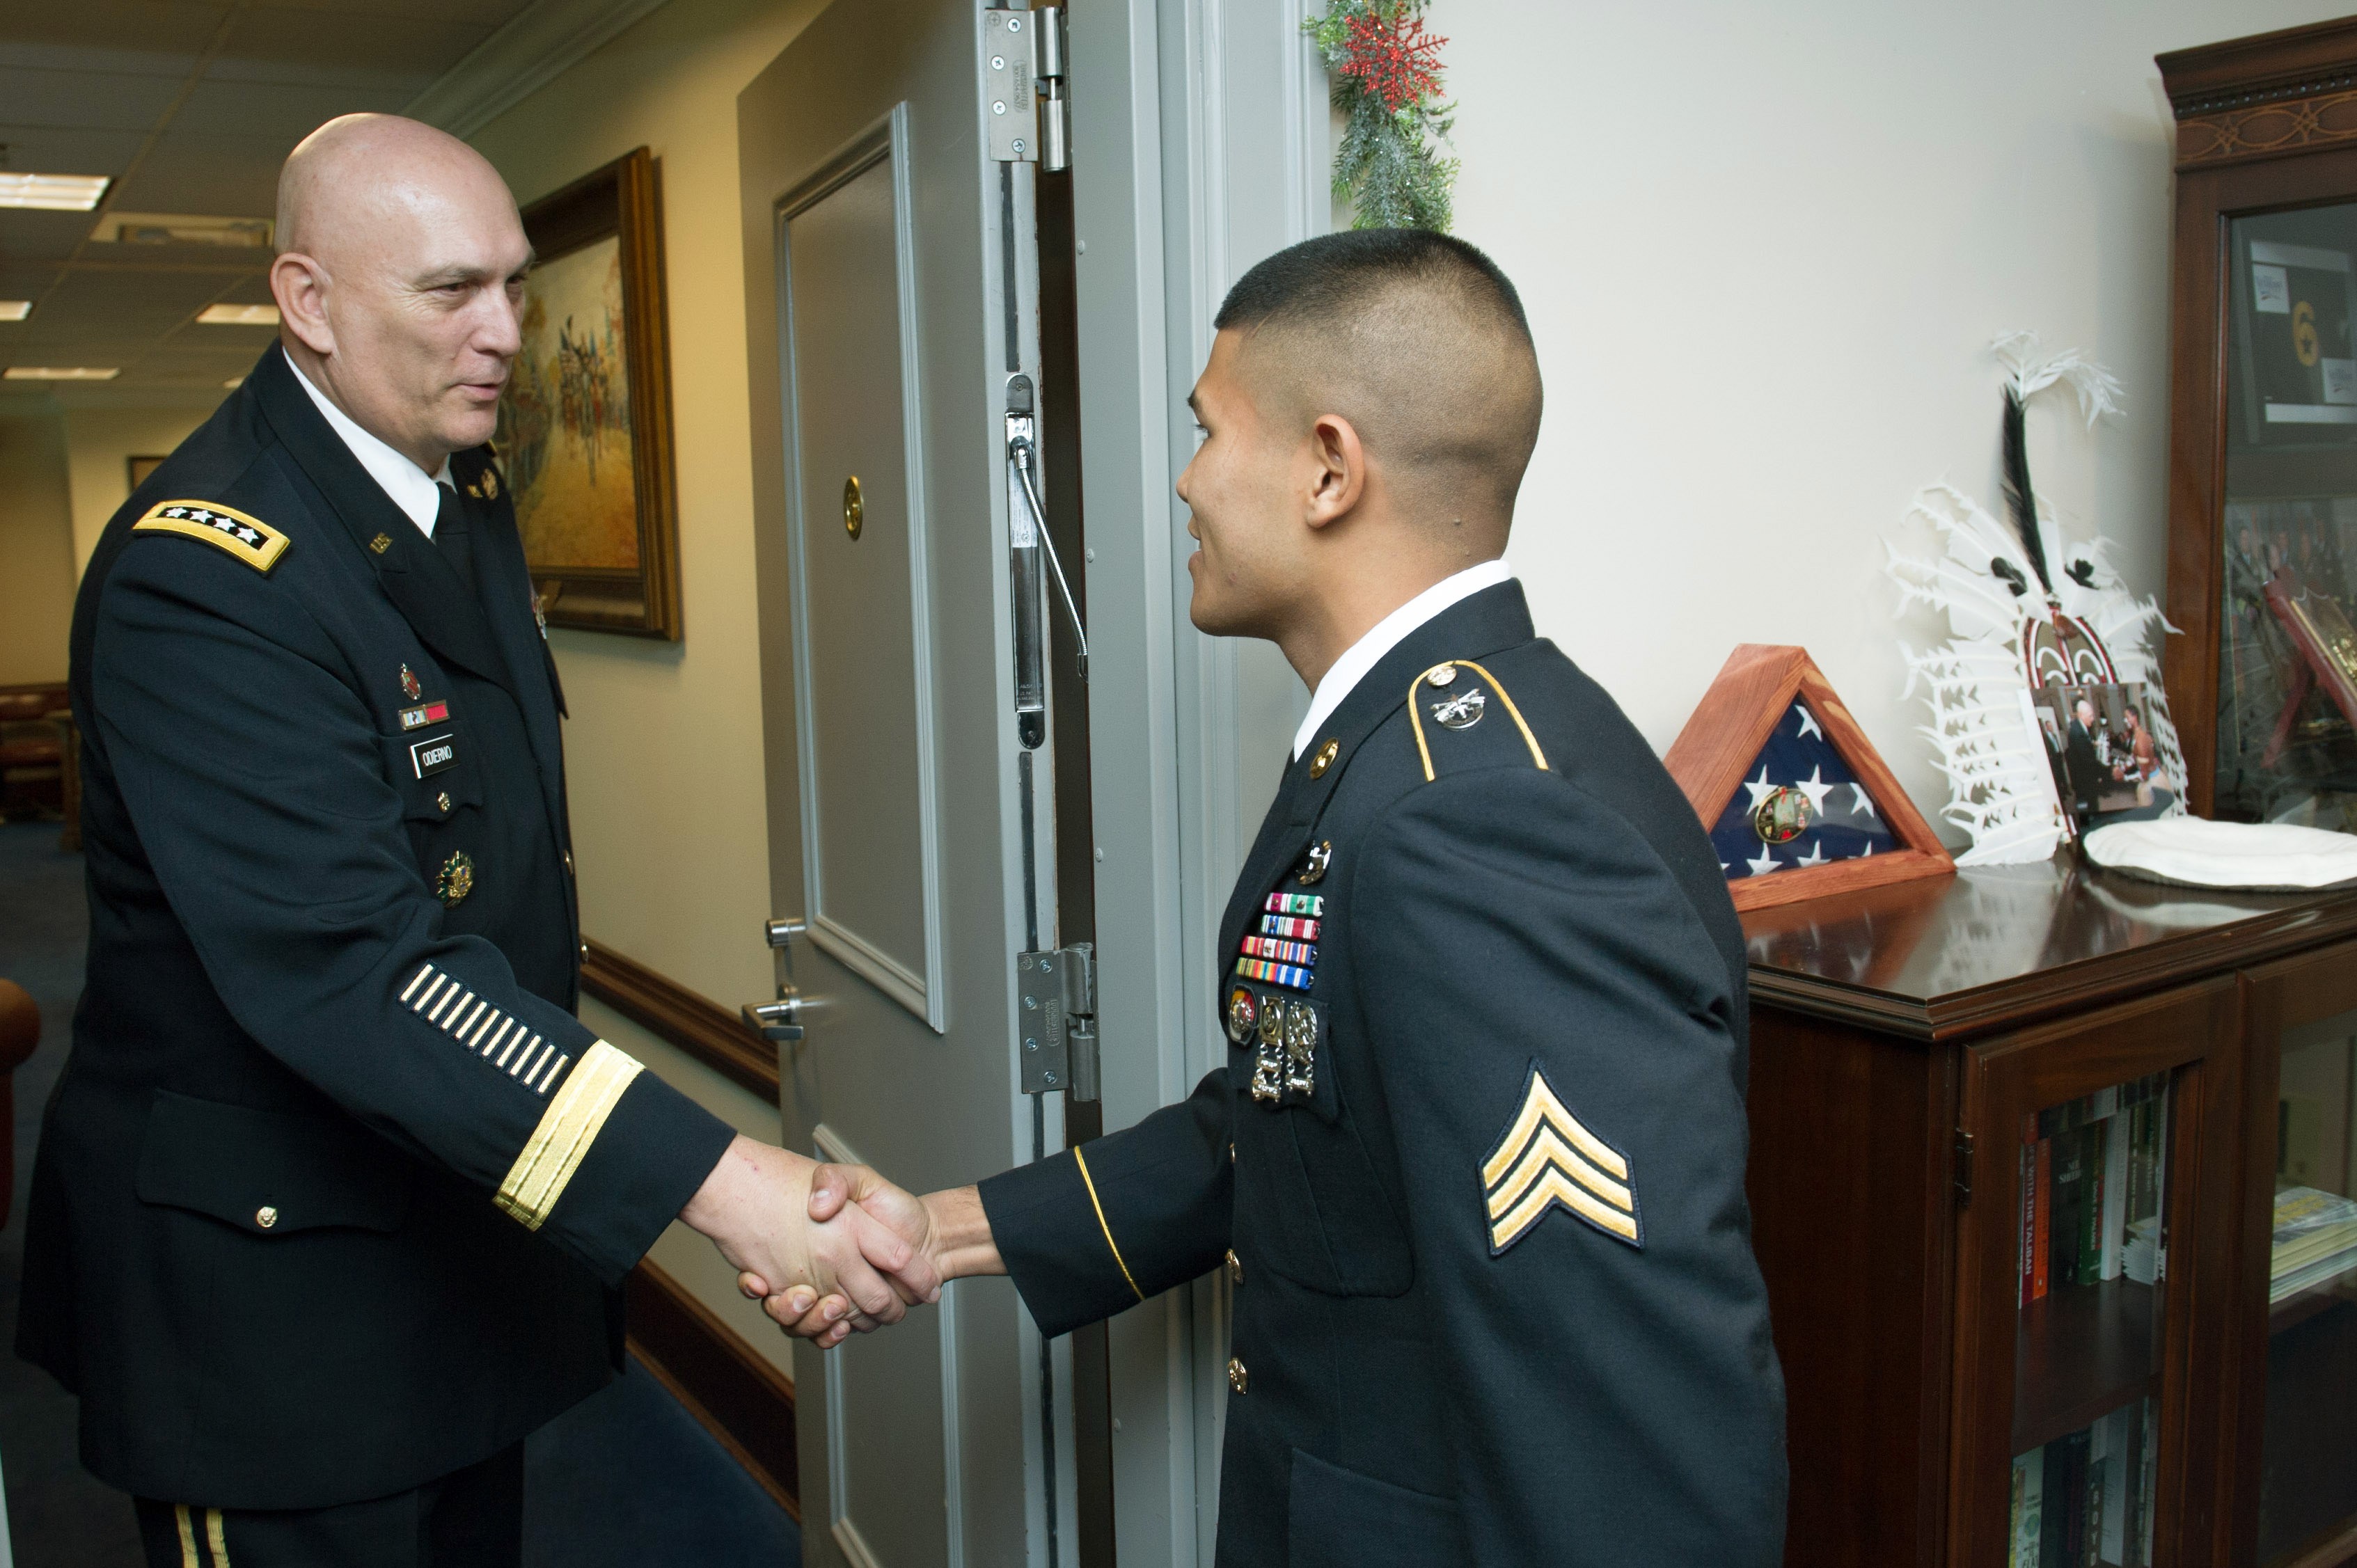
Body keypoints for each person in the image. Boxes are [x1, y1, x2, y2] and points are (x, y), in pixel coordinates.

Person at [766, 230, 1789, 1566]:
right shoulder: (1424, 744)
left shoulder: (1471, 816)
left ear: (1326, 467)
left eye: (1208, 430)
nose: (1186, 482)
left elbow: (1623, 1408)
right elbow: (1295, 1123)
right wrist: (945, 1232)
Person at [17, 115, 928, 1568]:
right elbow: (361, 965)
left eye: (514, 282)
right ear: (307, 303)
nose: (506, 329)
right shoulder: (204, 576)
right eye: (452, 291)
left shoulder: (455, 487)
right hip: (273, 1306)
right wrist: (717, 1178)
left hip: (454, 1227)